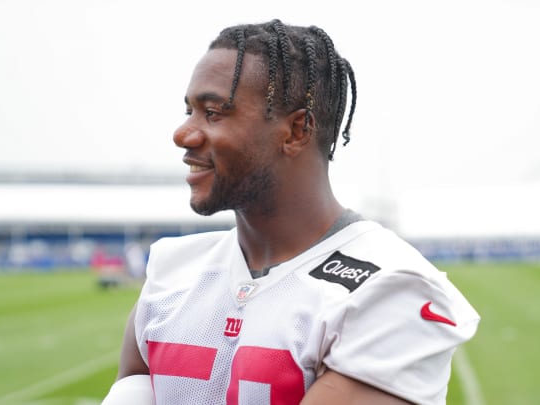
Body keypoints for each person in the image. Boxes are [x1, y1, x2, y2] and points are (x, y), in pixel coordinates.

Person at [102, 19, 480, 405]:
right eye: (189, 111)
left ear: (297, 131)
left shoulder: (388, 288)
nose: (184, 134)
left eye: (213, 113)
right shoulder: (173, 271)